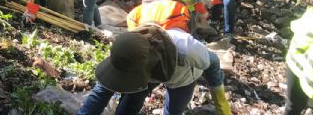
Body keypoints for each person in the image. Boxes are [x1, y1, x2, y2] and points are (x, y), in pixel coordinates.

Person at [77, 20, 222, 115]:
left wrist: (220, 100)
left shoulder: (187, 49)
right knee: (130, 102)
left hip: (182, 77)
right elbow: (103, 90)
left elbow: (213, 62)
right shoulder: (128, 48)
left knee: (173, 110)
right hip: (142, 70)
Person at [126, 0, 232, 115]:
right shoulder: (131, 46)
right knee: (132, 99)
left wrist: (222, 105)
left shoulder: (183, 45)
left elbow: (212, 62)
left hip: (178, 67)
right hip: (146, 55)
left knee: (173, 108)